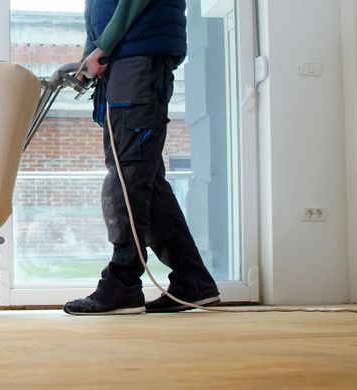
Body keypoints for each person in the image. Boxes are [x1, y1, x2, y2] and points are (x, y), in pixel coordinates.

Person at [63, 0, 221, 315]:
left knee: (128, 174)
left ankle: (123, 282)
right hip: (125, 57)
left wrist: (103, 47)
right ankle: (193, 282)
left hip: (139, 55)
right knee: (146, 180)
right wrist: (90, 56)